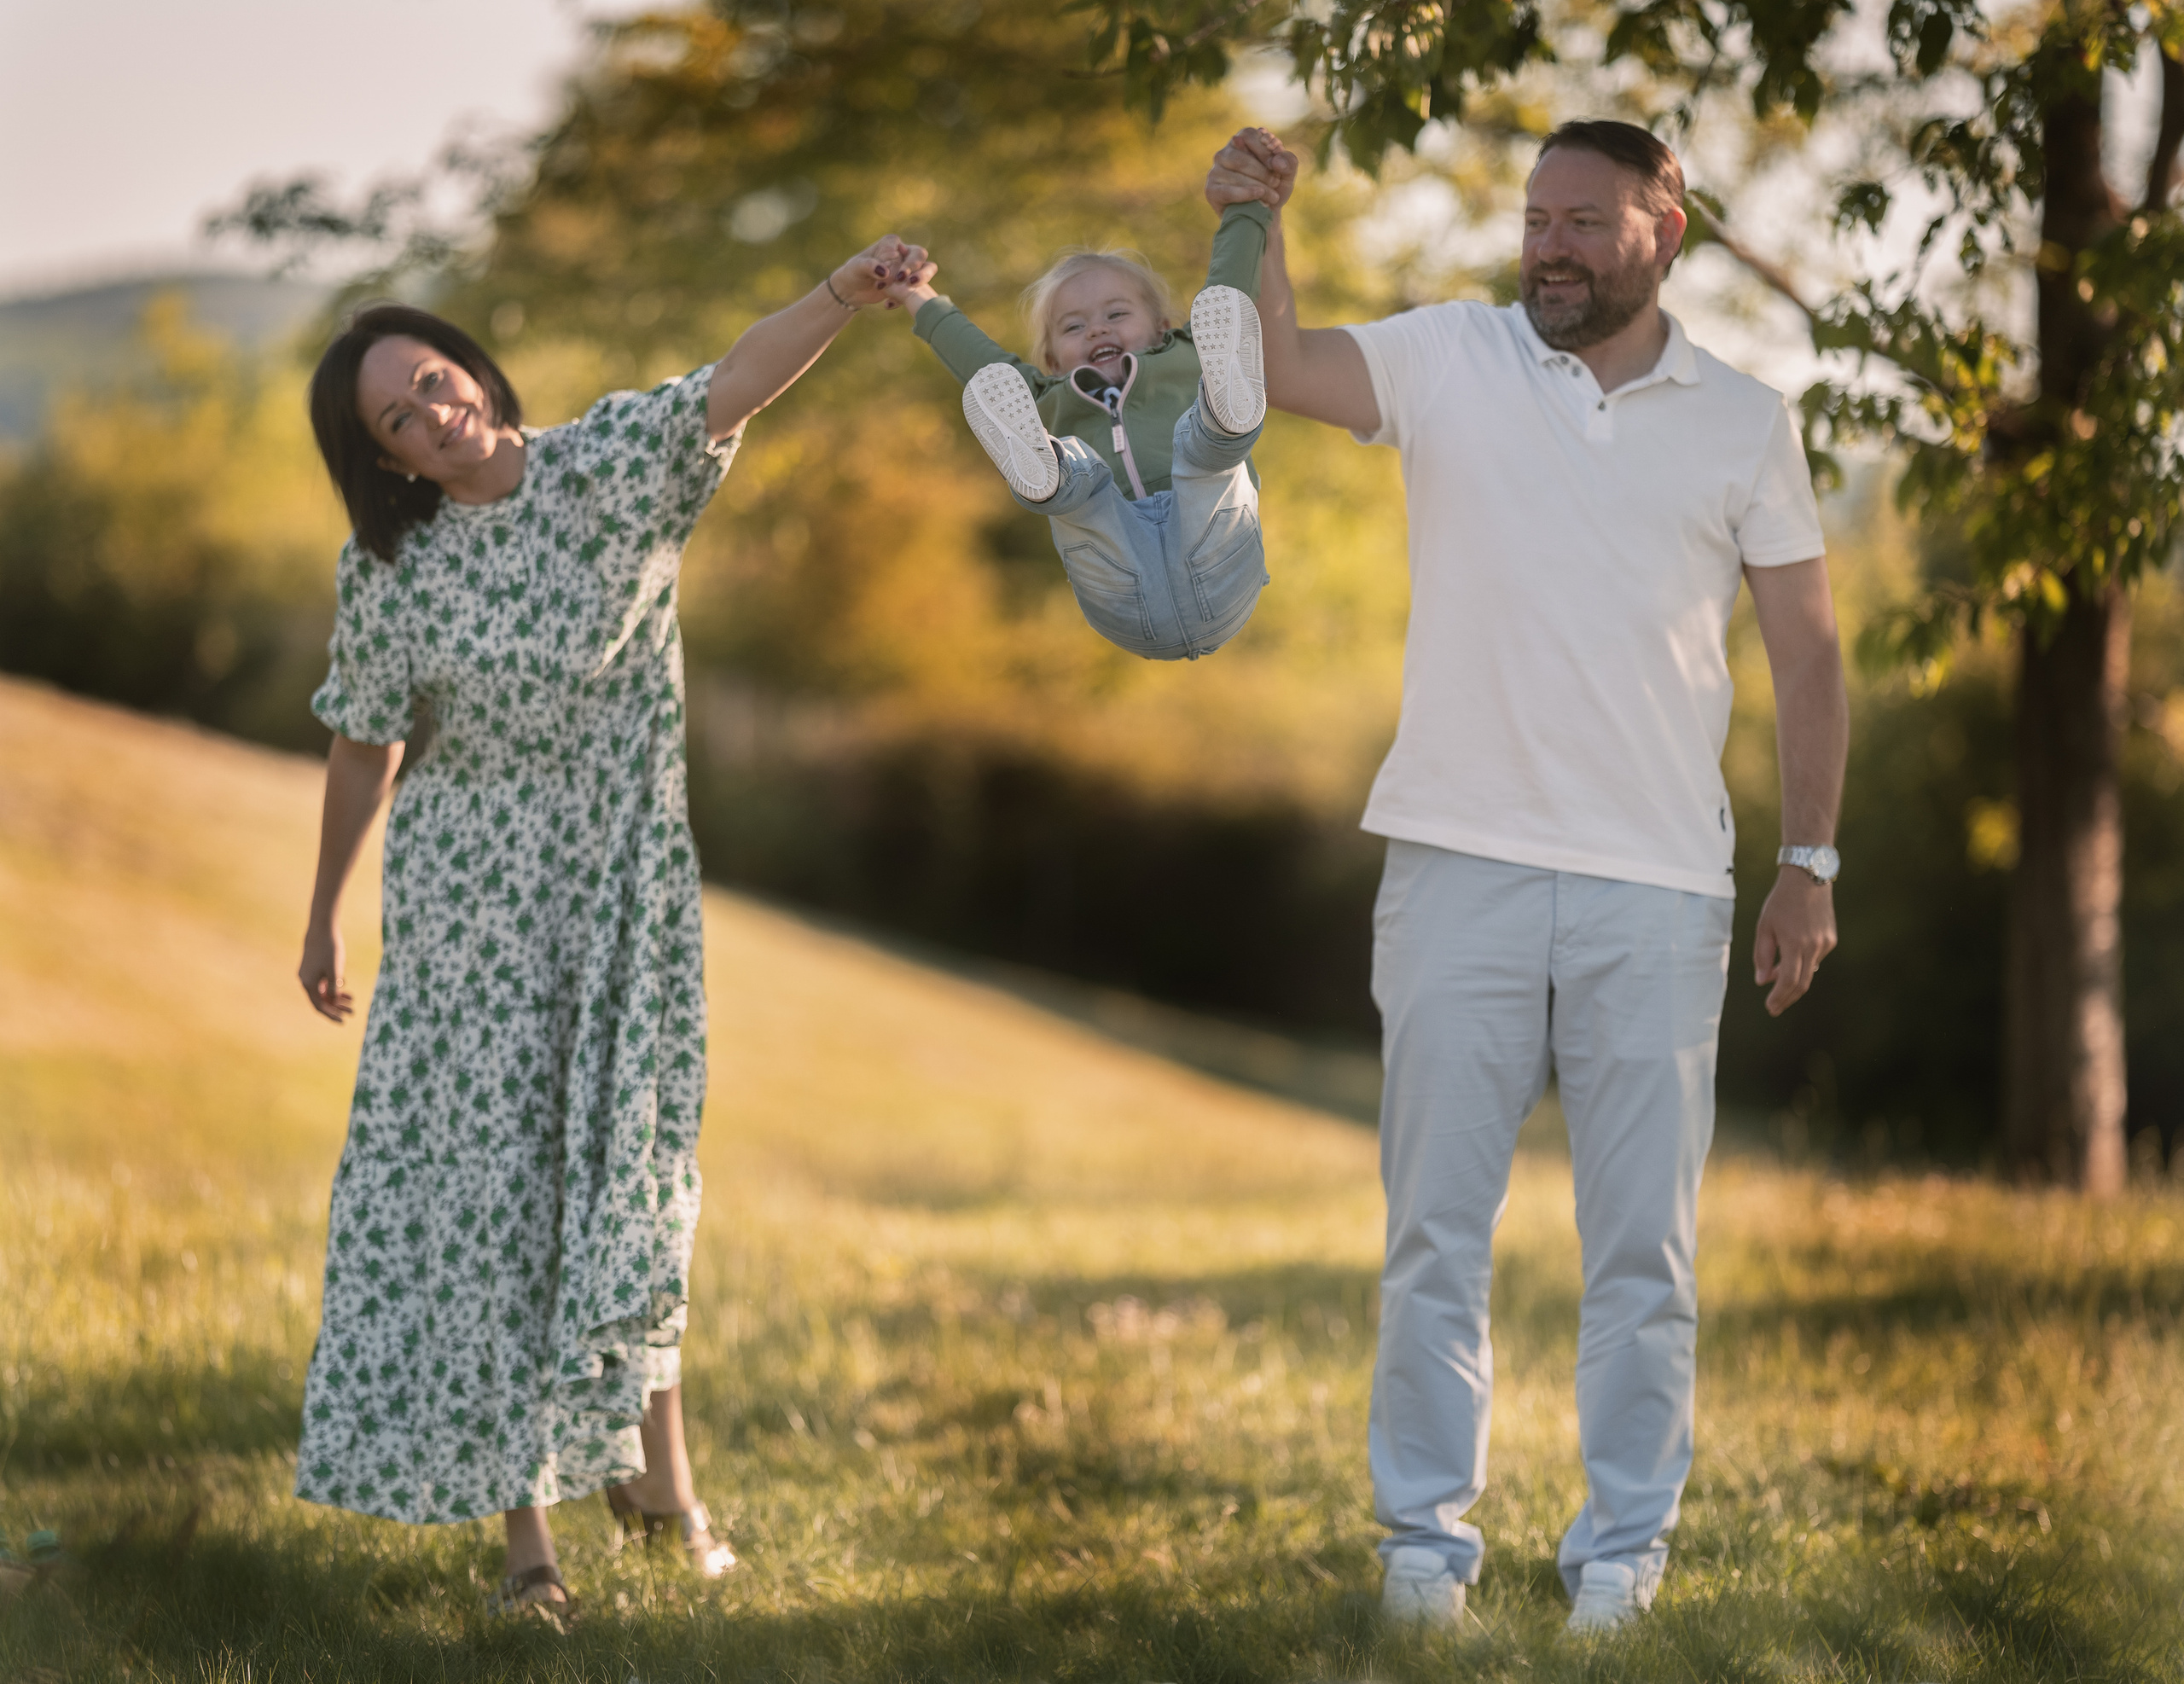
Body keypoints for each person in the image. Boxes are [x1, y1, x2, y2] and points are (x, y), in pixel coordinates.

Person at [1205, 122, 1848, 1633]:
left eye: (1582, 221)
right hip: (1456, 865)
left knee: (1645, 1251)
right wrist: (1253, 221)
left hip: (1660, 889)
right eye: (1533, 219)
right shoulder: (1449, 356)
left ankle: (1623, 1553)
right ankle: (1424, 1553)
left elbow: (1810, 652)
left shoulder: (1749, 419)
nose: (1547, 246)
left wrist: (1807, 861)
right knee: (1434, 1232)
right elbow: (1280, 367)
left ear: (1664, 225)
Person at [293, 235, 934, 1621]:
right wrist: (325, 910)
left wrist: (841, 293)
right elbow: (364, 743)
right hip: (469, 910)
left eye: (432, 377)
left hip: (617, 887)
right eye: (395, 419)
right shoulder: (390, 566)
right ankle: (528, 1538)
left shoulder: (607, 461)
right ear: (389, 458)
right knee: (484, 1200)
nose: (430, 411)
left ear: (470, 365)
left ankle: (662, 1484)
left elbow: (735, 384)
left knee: (627, 1190)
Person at [883, 193, 1280, 661]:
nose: (1096, 330)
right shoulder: (1043, 398)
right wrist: (915, 294)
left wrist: (1246, 207)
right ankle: (1050, 475)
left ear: (1161, 327)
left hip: (1221, 564)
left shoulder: (1190, 352)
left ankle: (1223, 424)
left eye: (1116, 314)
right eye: (1074, 327)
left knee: (1206, 464)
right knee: (1086, 496)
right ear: (1051, 361)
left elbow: (1230, 283)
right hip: (1124, 594)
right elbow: (976, 357)